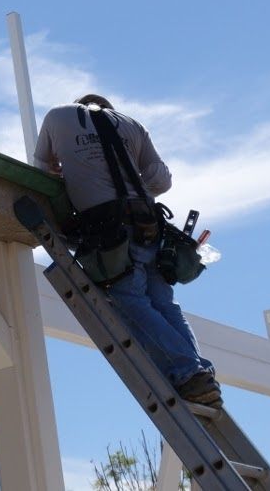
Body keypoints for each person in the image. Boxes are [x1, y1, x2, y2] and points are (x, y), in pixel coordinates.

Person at [34, 93, 222, 407]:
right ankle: (199, 374)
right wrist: (124, 173)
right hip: (147, 225)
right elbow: (161, 181)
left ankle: (189, 372)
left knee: (129, 300)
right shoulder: (132, 125)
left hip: (107, 230)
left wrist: (82, 171)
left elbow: (42, 169)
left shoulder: (57, 116)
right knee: (164, 303)